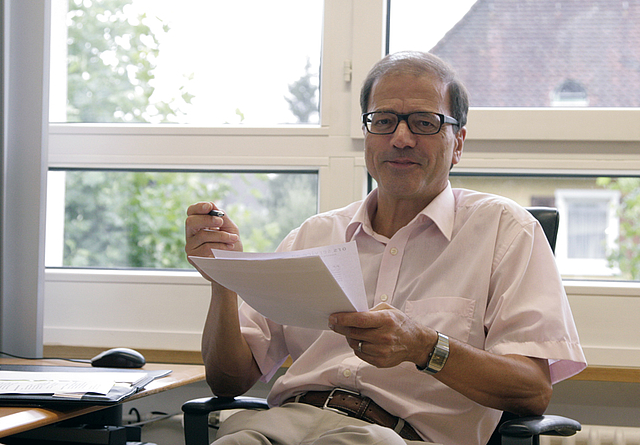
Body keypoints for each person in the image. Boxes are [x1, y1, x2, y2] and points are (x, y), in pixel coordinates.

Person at [184, 51, 587, 445]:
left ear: (458, 143)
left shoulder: (506, 231)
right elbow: (228, 380)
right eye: (384, 121)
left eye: (425, 123)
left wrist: (424, 346)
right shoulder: (314, 235)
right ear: (367, 135)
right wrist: (224, 279)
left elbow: (532, 391)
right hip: (282, 425)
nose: (400, 138)